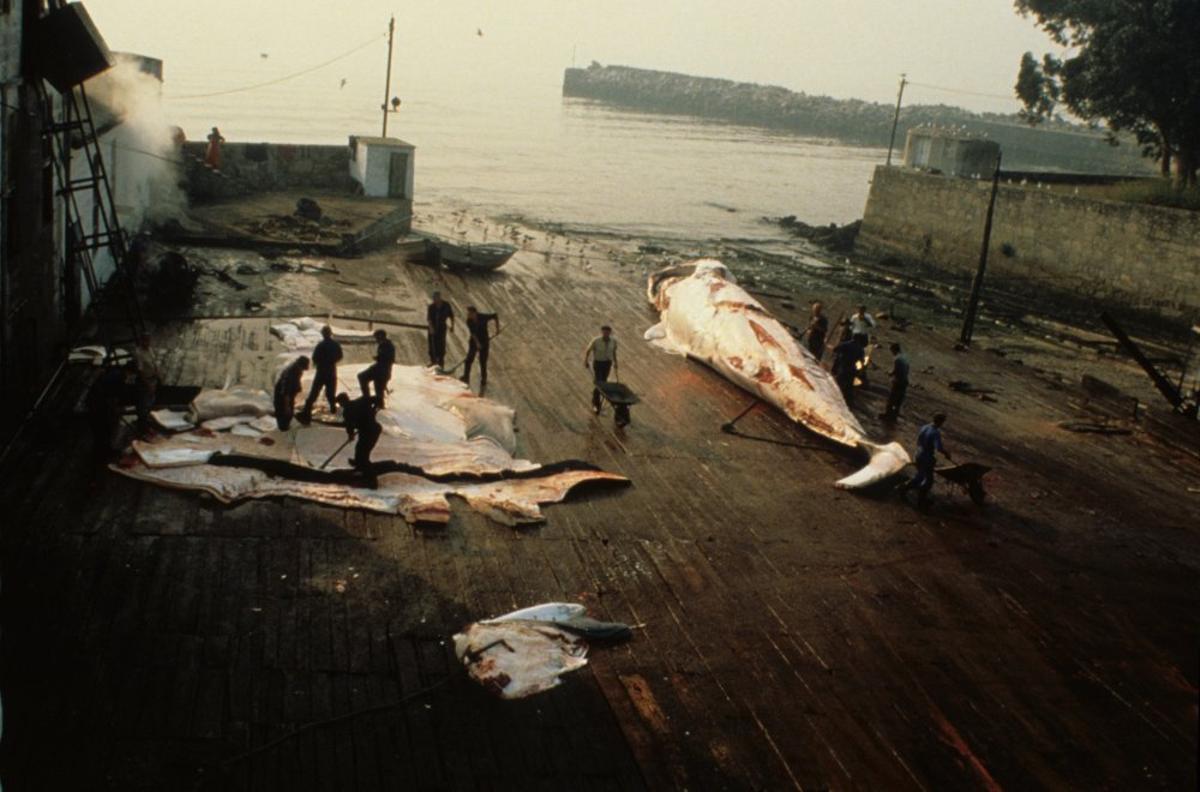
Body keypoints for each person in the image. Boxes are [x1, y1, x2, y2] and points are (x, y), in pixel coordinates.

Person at [901, 413, 953, 508]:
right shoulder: (935, 432)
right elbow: (938, 447)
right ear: (941, 422)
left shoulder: (925, 427)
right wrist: (946, 453)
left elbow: (918, 440)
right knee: (928, 480)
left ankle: (904, 489)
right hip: (926, 457)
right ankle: (921, 500)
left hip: (918, 453)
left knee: (920, 476)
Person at [87, 362, 136, 461]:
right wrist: (115, 408)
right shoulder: (119, 378)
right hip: (98, 406)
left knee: (102, 432)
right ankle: (101, 455)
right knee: (103, 431)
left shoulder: (115, 373)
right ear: (129, 371)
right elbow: (112, 395)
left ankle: (103, 451)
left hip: (96, 404)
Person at [300, 325, 343, 422]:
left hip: (321, 371)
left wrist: (321, 362)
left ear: (323, 334)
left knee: (314, 393)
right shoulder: (335, 345)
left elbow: (315, 358)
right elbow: (340, 356)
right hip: (331, 371)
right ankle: (334, 411)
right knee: (330, 393)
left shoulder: (320, 345)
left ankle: (306, 413)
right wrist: (332, 361)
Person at [336, 392, 382, 470]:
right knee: (362, 448)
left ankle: (362, 466)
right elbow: (378, 398)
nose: (340, 405)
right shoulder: (361, 401)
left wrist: (351, 435)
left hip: (368, 431)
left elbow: (349, 426)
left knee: (362, 448)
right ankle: (360, 463)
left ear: (343, 401)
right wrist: (374, 408)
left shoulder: (347, 411)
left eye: (340, 403)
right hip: (373, 429)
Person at [462, 305, 500, 388]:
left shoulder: (483, 317)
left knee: (483, 361)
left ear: (475, 313)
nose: (468, 315)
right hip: (474, 342)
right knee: (468, 360)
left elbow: (495, 315)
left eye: (470, 313)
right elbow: (473, 334)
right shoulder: (469, 321)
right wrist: (477, 343)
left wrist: (497, 329)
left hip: (484, 341)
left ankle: (484, 379)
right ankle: (466, 377)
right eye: (468, 314)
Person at [583, 325, 618, 415]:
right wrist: (586, 360)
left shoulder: (613, 341)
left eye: (607, 332)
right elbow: (588, 350)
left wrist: (615, 362)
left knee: (604, 381)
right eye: (604, 332)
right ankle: (596, 404)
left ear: (610, 332)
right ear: (602, 332)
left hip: (607, 363)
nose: (606, 334)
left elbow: (614, 352)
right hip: (598, 363)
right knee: (599, 383)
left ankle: (597, 401)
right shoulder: (596, 341)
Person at [358, 329, 396, 407]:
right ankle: (370, 400)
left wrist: (378, 358)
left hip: (382, 371)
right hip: (381, 370)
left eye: (376, 337)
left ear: (380, 337)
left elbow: (388, 359)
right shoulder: (385, 345)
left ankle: (367, 399)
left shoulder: (387, 346)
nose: (376, 340)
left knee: (363, 377)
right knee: (377, 389)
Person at [133, 334, 161, 432]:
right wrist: (148, 384)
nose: (147, 343)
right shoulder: (138, 353)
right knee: (143, 406)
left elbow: (154, 362)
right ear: (141, 341)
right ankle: (141, 428)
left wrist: (157, 374)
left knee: (150, 403)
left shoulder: (149, 350)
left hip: (152, 380)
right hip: (144, 382)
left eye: (148, 341)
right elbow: (140, 371)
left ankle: (147, 424)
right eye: (145, 341)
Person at [274, 356, 310, 430]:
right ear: (301, 365)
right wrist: (287, 406)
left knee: (288, 411)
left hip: (287, 393)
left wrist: (298, 388)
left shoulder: (297, 369)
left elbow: (296, 382)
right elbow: (285, 392)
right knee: (284, 412)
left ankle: (285, 425)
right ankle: (283, 428)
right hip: (282, 395)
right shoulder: (290, 374)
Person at [881, 342, 910, 421]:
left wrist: (890, 373)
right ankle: (894, 416)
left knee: (892, 398)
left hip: (898, 382)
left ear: (894, 350)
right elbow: (907, 369)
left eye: (892, 351)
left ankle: (888, 414)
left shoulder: (897, 359)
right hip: (905, 381)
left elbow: (896, 371)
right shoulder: (905, 357)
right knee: (899, 400)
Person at [830, 336, 864, 402]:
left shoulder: (846, 344)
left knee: (839, 383)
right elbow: (861, 361)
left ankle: (834, 397)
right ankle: (846, 400)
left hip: (844, 367)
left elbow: (835, 349)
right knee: (848, 386)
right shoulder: (860, 349)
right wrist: (860, 370)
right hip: (852, 369)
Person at [426, 292, 455, 369]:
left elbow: (451, 316)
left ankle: (441, 363)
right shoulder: (431, 307)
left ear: (439, 298)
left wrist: (452, 326)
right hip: (433, 327)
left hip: (441, 328)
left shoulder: (446, 305)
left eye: (435, 298)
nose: (434, 300)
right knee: (432, 345)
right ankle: (433, 361)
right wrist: (431, 327)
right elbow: (429, 319)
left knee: (441, 345)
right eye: (433, 298)